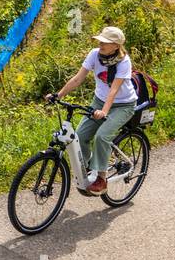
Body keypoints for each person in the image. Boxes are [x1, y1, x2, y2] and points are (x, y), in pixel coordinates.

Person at [46, 26, 138, 195]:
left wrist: (103, 112)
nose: (101, 44)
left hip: (123, 105)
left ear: (116, 46)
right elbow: (77, 79)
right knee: (79, 136)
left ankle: (101, 179)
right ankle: (90, 168)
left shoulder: (124, 61)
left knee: (102, 136)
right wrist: (57, 95)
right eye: (100, 40)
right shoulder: (94, 54)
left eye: (106, 42)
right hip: (99, 101)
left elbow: (114, 90)